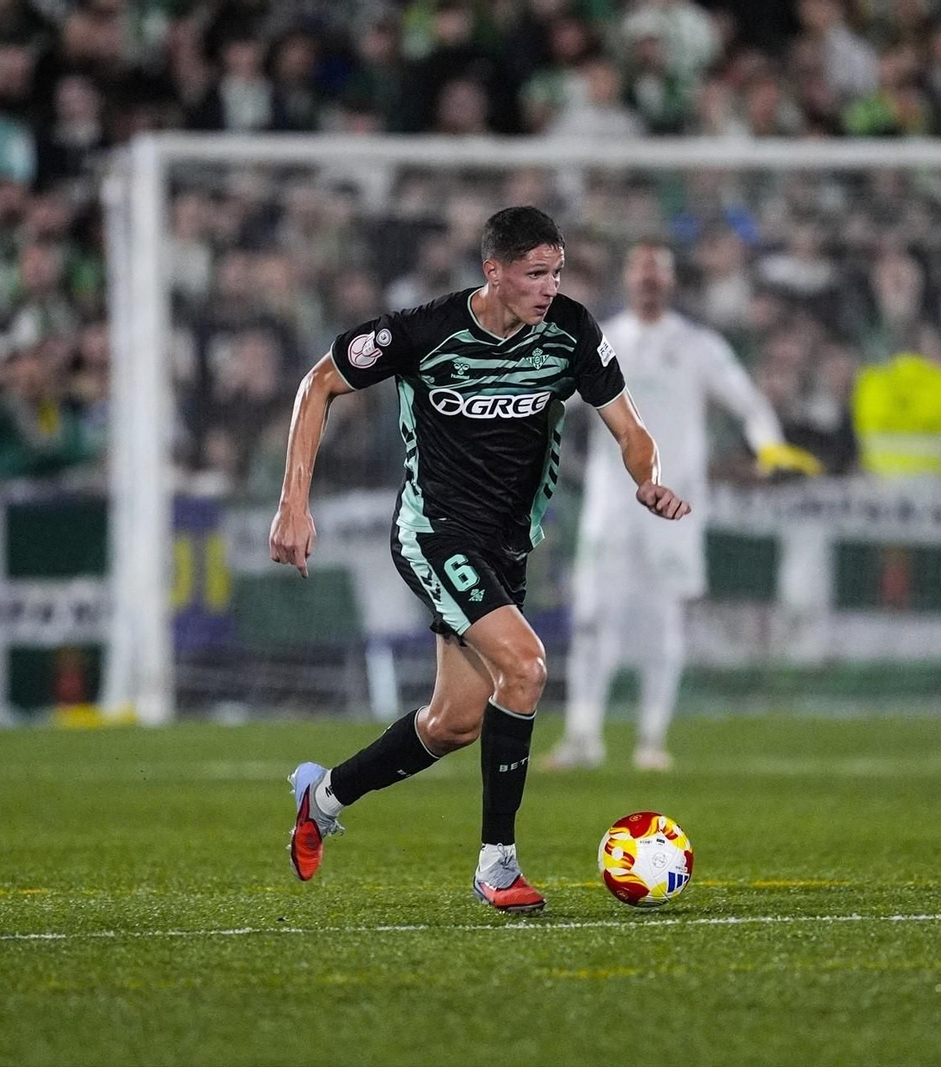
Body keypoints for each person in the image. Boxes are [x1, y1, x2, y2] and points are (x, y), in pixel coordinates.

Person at [270, 207, 690, 913]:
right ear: (492, 271)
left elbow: (629, 424)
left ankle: (324, 794)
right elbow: (318, 385)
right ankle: (497, 864)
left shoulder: (572, 331)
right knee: (525, 666)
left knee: (453, 723)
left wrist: (646, 476)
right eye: (534, 273)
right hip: (434, 532)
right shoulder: (424, 331)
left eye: (556, 272)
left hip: (507, 543)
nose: (549, 286)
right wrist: (293, 502)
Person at [543, 241, 819, 772]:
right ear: (628, 280)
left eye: (658, 273)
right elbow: (553, 398)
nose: (649, 281)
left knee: (663, 620)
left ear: (670, 282)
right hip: (612, 506)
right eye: (641, 271)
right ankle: (584, 735)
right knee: (596, 617)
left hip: (674, 507)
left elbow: (748, 402)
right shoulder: (602, 342)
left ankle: (651, 739)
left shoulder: (698, 346)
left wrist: (769, 444)